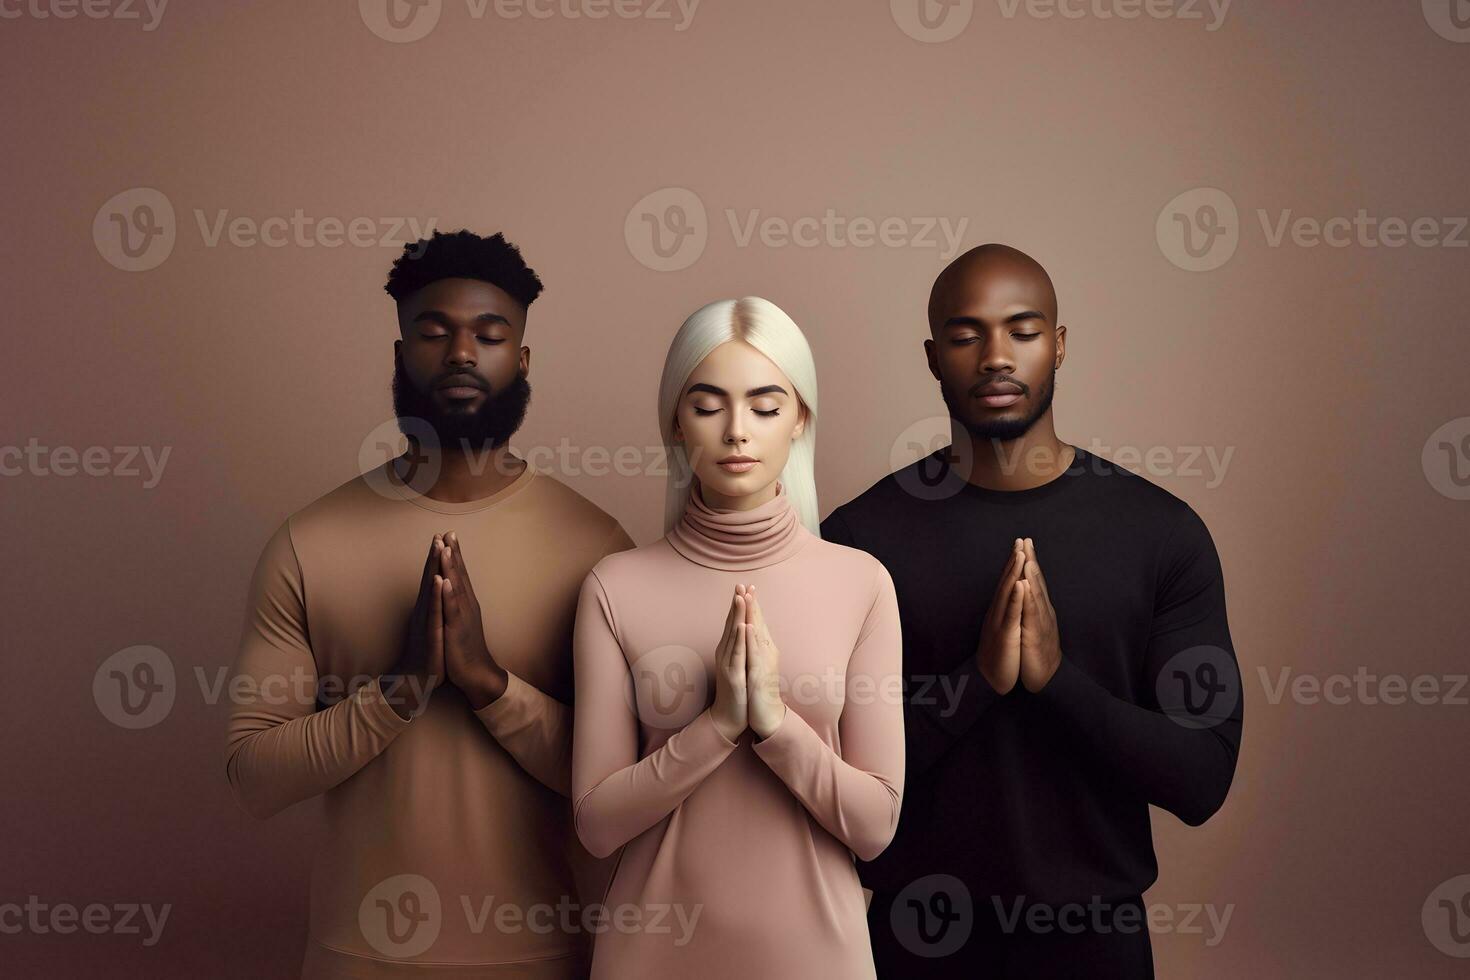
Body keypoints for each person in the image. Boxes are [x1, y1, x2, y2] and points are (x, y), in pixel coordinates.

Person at [822, 244, 1243, 978]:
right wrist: (979, 681)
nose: (994, 357)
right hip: (917, 936)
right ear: (931, 356)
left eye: (1021, 330)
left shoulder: (1160, 533)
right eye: (964, 335)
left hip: (1097, 944)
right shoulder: (860, 540)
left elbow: (1202, 780)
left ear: (1059, 344)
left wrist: (1056, 681)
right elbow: (830, 779)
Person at [224, 229, 635, 978]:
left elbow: (623, 783)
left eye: (489, 333)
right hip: (357, 961)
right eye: (434, 331)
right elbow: (255, 774)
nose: (461, 354)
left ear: (522, 358)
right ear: (399, 353)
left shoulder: (597, 546)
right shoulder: (308, 542)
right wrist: (400, 691)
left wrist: (489, 687)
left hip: (544, 961)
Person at [570, 296, 905, 978]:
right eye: (707, 403)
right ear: (675, 419)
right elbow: (597, 824)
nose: (736, 431)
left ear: (800, 418)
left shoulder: (862, 583)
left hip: (817, 959)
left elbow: (875, 828)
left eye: (765, 403)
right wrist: (719, 726)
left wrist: (776, 726)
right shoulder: (615, 586)